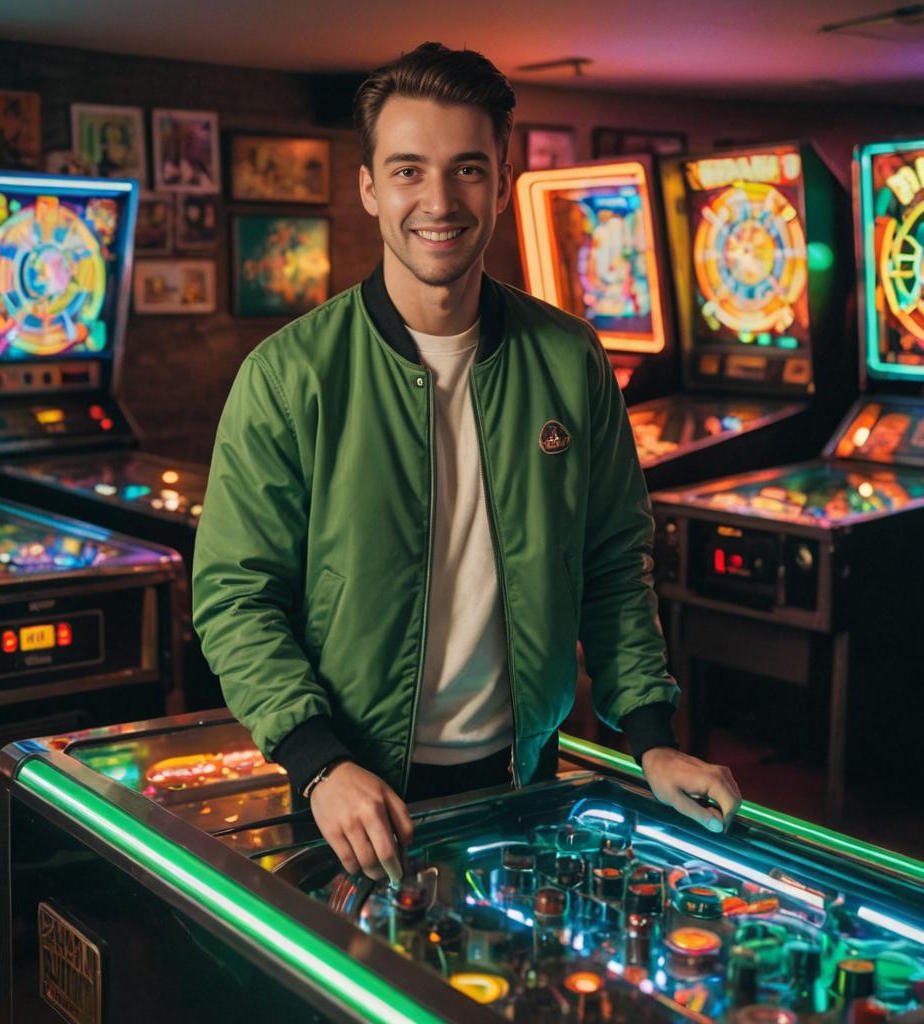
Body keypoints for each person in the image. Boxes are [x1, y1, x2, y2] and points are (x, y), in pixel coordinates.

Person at [193, 41, 740, 887]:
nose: (438, 201)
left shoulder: (571, 358)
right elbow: (236, 597)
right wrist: (317, 761)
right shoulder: (288, 375)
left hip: (523, 779)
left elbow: (612, 565)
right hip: (352, 792)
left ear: (504, 181)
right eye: (408, 170)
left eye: (467, 170)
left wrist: (653, 739)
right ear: (369, 186)